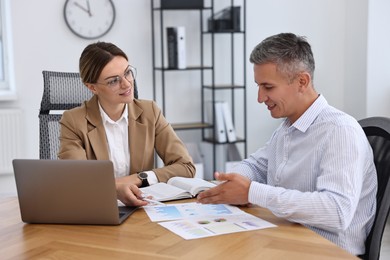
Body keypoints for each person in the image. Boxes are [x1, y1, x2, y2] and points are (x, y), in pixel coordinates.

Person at [197, 32, 377, 256]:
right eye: (258, 86)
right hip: (287, 239)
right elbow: (257, 166)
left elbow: (337, 211)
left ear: (302, 81)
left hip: (326, 252)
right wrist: (229, 184)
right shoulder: (287, 128)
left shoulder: (340, 132)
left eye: (268, 87)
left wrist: (251, 192)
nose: (260, 98)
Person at [59, 42, 195, 207]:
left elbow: (186, 167)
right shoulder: (73, 121)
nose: (127, 84)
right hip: (97, 208)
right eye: (113, 81)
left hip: (142, 209)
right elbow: (77, 179)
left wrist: (138, 178)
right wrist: (115, 189)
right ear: (92, 87)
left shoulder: (149, 111)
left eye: (127, 73)